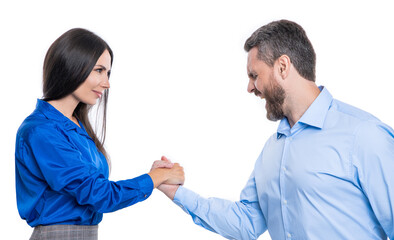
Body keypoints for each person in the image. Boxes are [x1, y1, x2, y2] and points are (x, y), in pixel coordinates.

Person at [156, 20, 394, 239]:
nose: (250, 88)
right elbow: (246, 222)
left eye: (254, 75)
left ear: (282, 66)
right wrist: (175, 192)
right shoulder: (273, 150)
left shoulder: (364, 136)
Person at [14, 28, 184, 240]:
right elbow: (98, 194)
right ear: (71, 65)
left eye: (108, 73)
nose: (107, 83)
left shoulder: (76, 126)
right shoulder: (42, 131)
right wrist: (154, 178)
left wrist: (155, 176)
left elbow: (95, 189)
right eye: (99, 70)